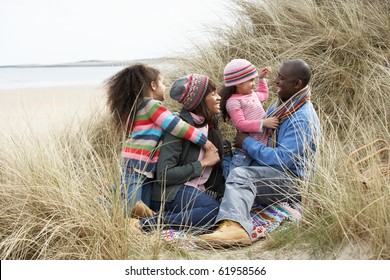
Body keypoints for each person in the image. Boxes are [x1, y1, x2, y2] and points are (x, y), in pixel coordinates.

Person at [199, 59, 321, 247]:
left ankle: (236, 228)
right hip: (275, 173)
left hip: (294, 181)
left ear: (297, 84)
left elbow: (282, 160)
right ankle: (223, 215)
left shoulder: (302, 118)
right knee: (230, 165)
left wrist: (246, 142)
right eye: (277, 76)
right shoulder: (285, 105)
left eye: (281, 78)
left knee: (240, 175)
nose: (276, 81)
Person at [106, 64, 216, 219]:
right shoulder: (151, 105)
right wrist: (203, 141)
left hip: (141, 167)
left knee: (137, 205)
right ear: (153, 85)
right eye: (162, 83)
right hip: (135, 166)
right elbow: (176, 126)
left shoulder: (139, 108)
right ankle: (105, 206)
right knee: (131, 207)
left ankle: (148, 220)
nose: (165, 87)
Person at [137, 74, 224, 233]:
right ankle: (147, 225)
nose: (219, 98)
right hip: (170, 192)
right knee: (213, 211)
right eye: (212, 94)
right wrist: (203, 163)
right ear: (199, 101)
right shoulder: (178, 128)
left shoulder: (211, 123)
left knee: (222, 213)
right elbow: (164, 175)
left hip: (197, 190)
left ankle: (173, 217)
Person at [220, 59, 279, 178]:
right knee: (232, 177)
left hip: (259, 146)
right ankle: (226, 158)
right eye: (251, 80)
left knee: (251, 177)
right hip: (244, 152)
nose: (254, 83)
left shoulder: (252, 95)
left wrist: (262, 79)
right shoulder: (233, 102)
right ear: (238, 83)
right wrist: (263, 123)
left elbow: (264, 94)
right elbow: (240, 124)